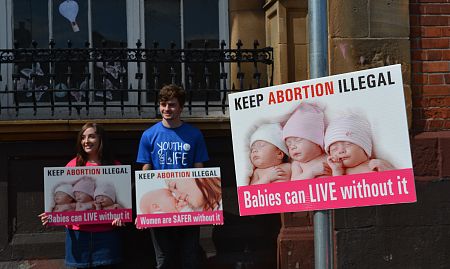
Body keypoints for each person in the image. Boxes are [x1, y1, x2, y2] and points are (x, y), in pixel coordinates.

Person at [136, 84, 209, 269]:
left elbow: (199, 168)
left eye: (172, 105)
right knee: (164, 259)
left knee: (190, 257)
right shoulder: (149, 135)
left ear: (181, 107)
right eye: (163, 104)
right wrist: (142, 211)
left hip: (188, 205)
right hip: (162, 206)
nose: (166, 109)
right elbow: (146, 170)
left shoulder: (194, 135)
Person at [39, 122, 125, 269]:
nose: (86, 141)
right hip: (78, 236)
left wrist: (121, 216)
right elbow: (65, 199)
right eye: (83, 137)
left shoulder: (115, 167)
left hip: (106, 236)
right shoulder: (72, 165)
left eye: (91, 136)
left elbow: (122, 202)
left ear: (100, 139)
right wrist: (51, 215)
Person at [324, 114, 395, 176]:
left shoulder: (375, 165)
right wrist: (337, 172)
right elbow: (339, 190)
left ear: (364, 147)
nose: (341, 151)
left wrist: (387, 170)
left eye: (348, 144)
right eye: (334, 149)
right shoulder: (339, 173)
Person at [282, 103, 331, 180]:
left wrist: (336, 169)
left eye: (297, 140)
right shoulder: (297, 164)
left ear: (316, 141)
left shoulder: (328, 157)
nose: (292, 147)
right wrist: (312, 172)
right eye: (288, 145)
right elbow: (294, 184)